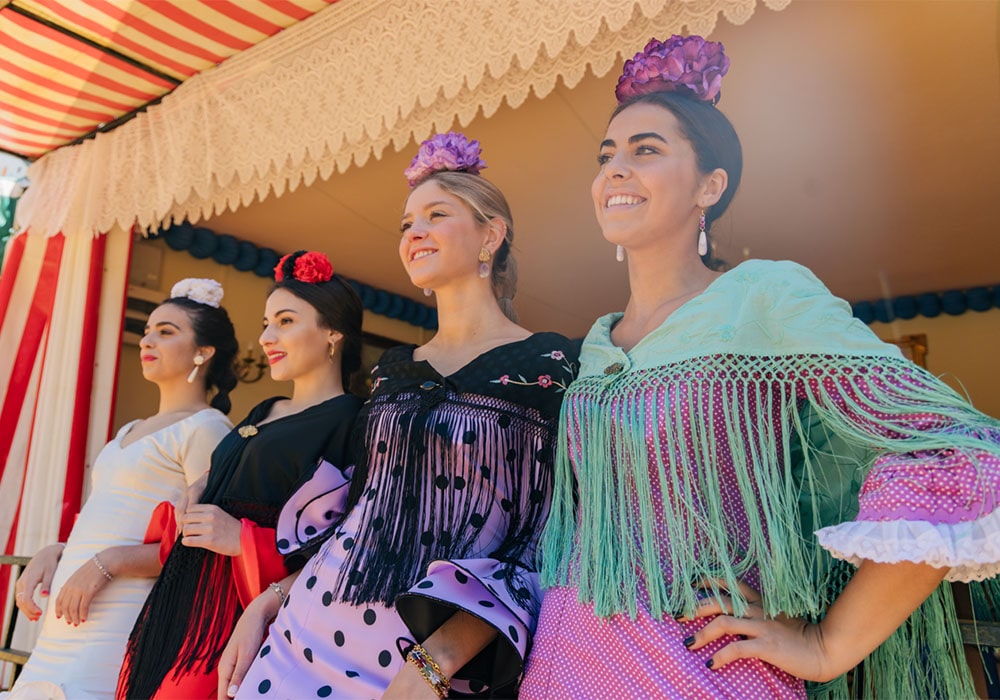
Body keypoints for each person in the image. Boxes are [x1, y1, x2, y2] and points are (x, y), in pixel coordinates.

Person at [520, 35, 1000, 699]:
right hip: (564, 661)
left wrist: (828, 645)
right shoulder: (595, 345)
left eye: (646, 150)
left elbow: (954, 449)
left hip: (700, 669)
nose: (615, 171)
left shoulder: (764, 296)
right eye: (606, 156)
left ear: (709, 186)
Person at [218, 133, 578, 699]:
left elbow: (548, 536)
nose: (415, 233)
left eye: (436, 215)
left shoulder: (552, 363)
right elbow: (364, 503)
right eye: (407, 224)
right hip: (307, 629)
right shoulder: (393, 369)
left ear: (492, 234)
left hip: (431, 659)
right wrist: (272, 596)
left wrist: (435, 662)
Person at [117, 252, 364, 699]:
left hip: (238, 614)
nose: (267, 336)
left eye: (285, 321)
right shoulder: (264, 409)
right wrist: (199, 487)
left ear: (332, 332)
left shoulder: (351, 421)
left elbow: (345, 542)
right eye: (267, 323)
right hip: (184, 599)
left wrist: (241, 538)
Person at [7, 279, 238, 700]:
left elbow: (199, 546)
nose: (148, 339)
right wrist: (56, 551)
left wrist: (107, 562)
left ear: (204, 352)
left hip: (120, 616)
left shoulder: (206, 428)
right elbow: (110, 516)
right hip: (65, 621)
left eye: (167, 331)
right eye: (148, 330)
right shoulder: (129, 430)